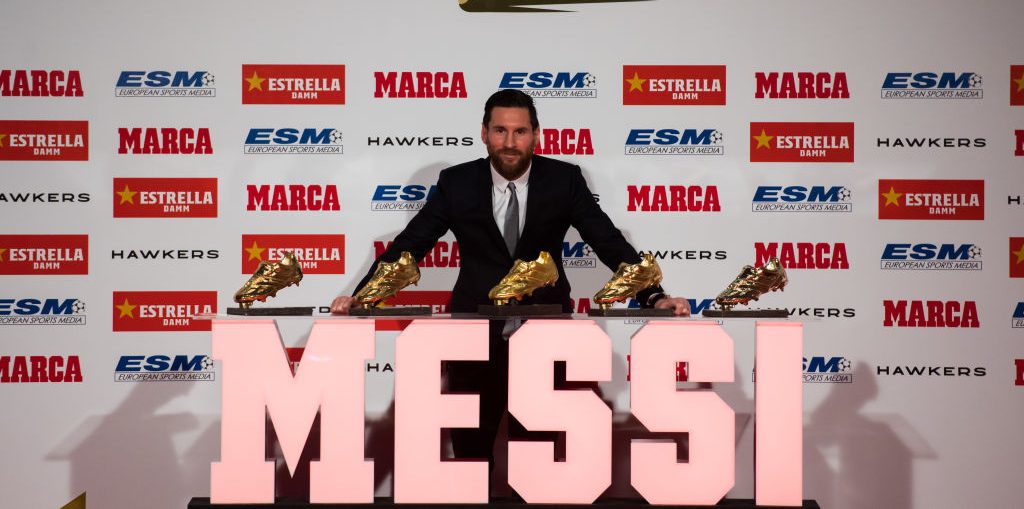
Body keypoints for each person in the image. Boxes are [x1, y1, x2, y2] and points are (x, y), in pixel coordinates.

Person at [330, 89, 689, 471]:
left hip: (544, 336)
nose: (510, 142)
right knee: (469, 460)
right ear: (484, 133)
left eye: (520, 132)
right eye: (500, 131)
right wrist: (363, 296)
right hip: (473, 337)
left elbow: (607, 241)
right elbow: (411, 245)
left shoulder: (564, 180)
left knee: (538, 462)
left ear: (536, 134)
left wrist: (654, 296)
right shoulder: (457, 182)